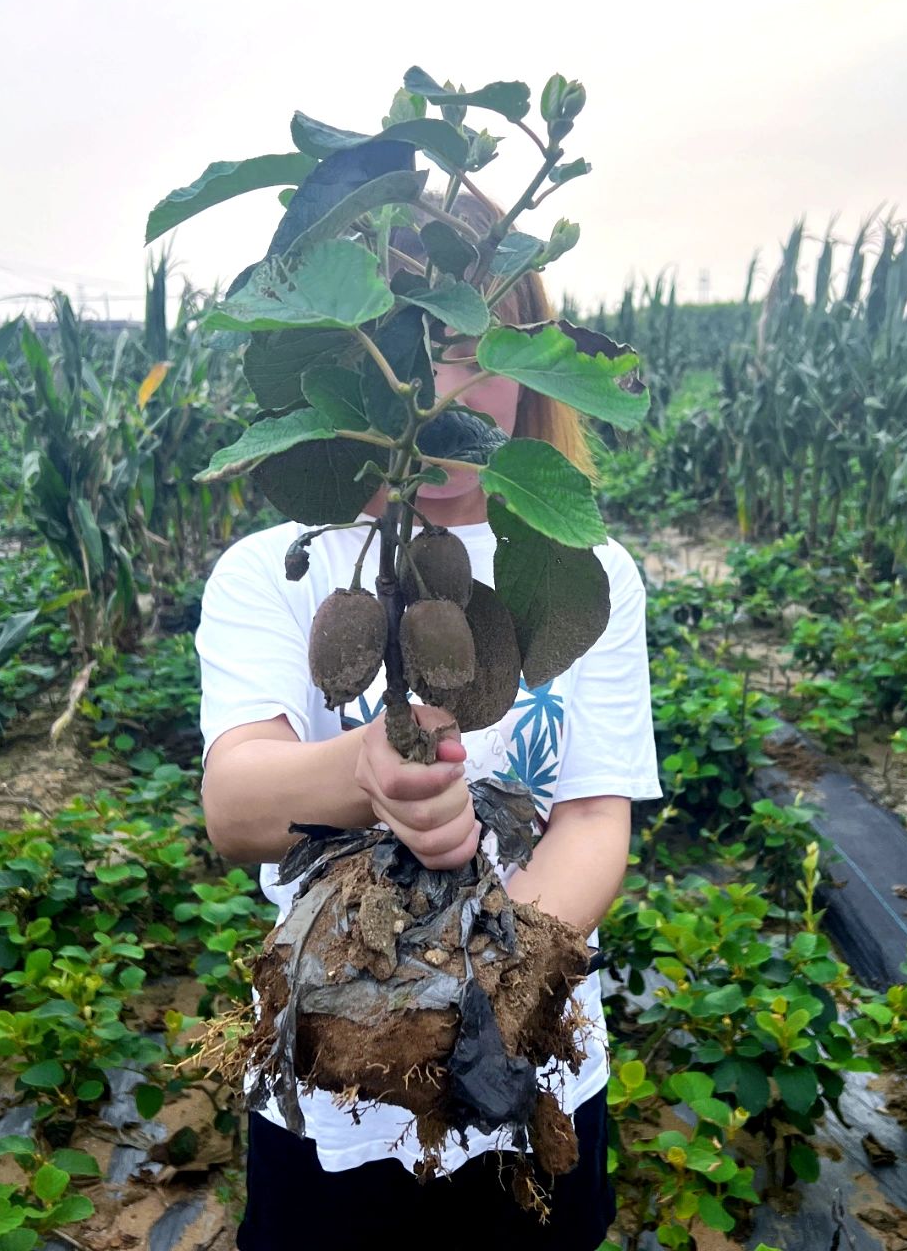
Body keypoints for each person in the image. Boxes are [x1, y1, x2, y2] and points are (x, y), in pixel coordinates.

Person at [195, 195, 661, 1251]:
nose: (438, 388)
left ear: (534, 364)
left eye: (472, 349)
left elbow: (592, 819)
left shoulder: (581, 564)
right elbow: (236, 803)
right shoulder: (277, 566)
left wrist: (485, 987)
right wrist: (363, 770)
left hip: (531, 1062)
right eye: (410, 350)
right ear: (357, 363)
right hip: (330, 1084)